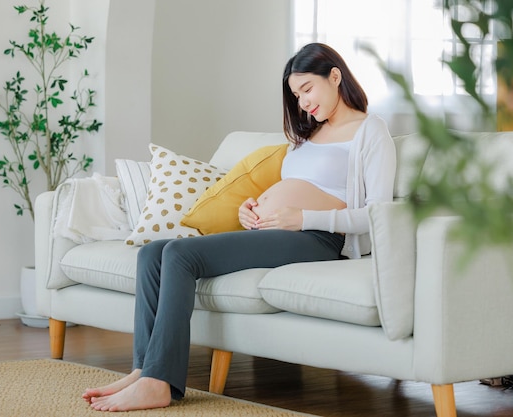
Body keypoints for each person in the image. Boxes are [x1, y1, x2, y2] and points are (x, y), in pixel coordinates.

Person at [82, 42, 396, 412]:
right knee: (152, 252)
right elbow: (291, 189)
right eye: (296, 96)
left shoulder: (370, 132)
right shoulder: (307, 135)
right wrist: (253, 209)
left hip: (319, 239)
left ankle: (160, 384)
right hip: (274, 231)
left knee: (180, 254)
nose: (303, 103)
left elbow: (377, 214)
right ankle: (144, 370)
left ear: (335, 75)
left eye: (307, 89)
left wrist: (303, 218)